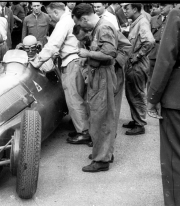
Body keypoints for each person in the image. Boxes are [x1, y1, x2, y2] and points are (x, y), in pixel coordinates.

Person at [31, 2, 91, 146]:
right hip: (77, 61)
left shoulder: (63, 22)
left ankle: (83, 132)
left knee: (73, 98)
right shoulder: (70, 19)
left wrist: (36, 63)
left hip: (71, 63)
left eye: (51, 15)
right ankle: (82, 128)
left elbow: (53, 44)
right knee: (79, 97)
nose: (50, 18)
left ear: (56, 12)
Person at [73, 3, 118, 172]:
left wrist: (87, 54)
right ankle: (104, 152)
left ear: (84, 19)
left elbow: (109, 54)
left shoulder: (103, 27)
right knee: (98, 116)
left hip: (102, 76)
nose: (80, 27)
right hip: (98, 75)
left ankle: (101, 160)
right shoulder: (99, 27)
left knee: (101, 118)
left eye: (80, 23)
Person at [147, 8, 180, 206]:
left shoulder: (178, 14)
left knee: (175, 159)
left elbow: (165, 59)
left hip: (178, 97)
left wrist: (153, 98)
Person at [121, 3, 155, 135]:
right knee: (131, 93)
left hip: (138, 65)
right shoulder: (136, 22)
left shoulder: (142, 22)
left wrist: (137, 56)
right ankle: (136, 120)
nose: (124, 11)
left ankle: (140, 124)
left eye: (127, 9)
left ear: (135, 9)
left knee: (137, 94)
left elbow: (150, 41)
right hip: (132, 64)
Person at [148, 3, 173, 90]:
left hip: (167, 55)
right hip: (153, 54)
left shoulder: (175, 20)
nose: (161, 7)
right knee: (150, 80)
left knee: (164, 81)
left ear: (171, 6)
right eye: (160, 5)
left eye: (164, 5)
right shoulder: (153, 19)